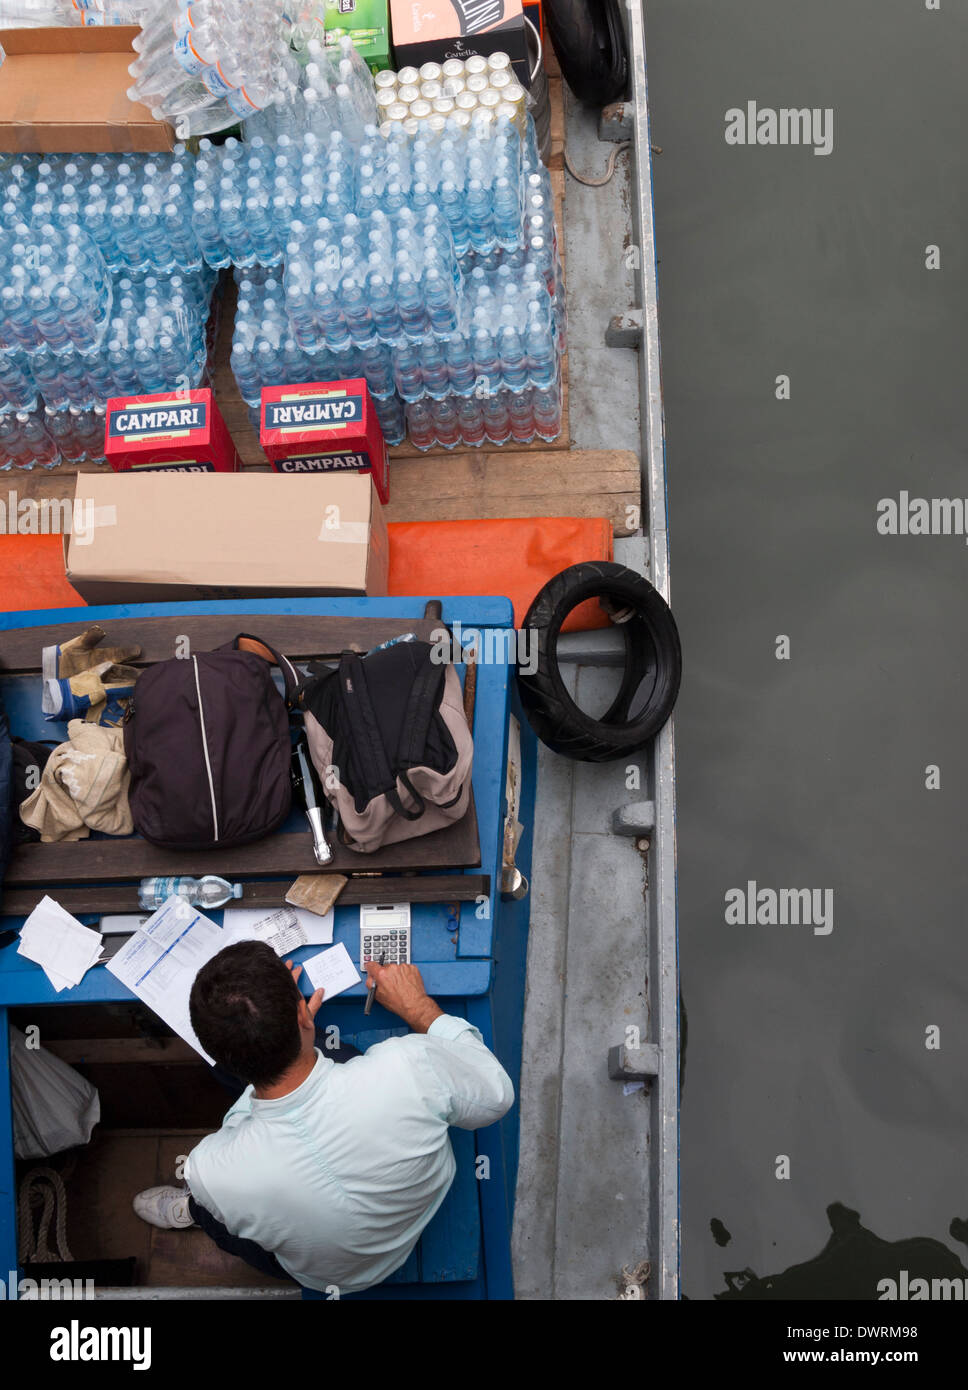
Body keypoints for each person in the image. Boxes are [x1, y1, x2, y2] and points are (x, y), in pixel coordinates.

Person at [131, 940, 514, 1294]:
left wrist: (264, 1040)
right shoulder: (409, 1068)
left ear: (219, 1056)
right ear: (304, 1012)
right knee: (343, 1055)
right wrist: (417, 1007)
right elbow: (496, 1094)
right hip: (415, 1221)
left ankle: (192, 1212)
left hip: (329, 1276)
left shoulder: (210, 1169)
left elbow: (248, 1111)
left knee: (210, 1207)